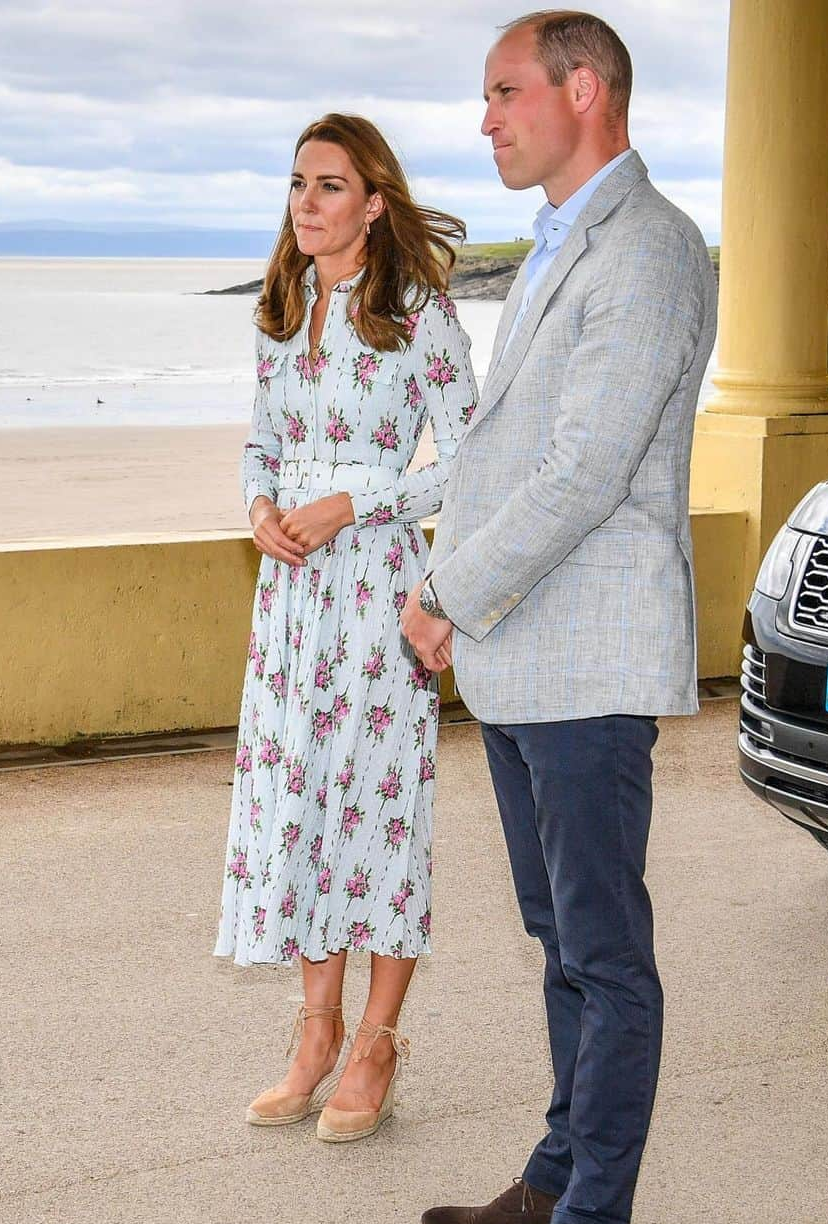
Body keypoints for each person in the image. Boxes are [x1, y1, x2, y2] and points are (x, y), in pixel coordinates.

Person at [401, 11, 717, 1224]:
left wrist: (450, 598)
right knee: (557, 940)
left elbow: (583, 470)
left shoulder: (646, 249)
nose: (485, 118)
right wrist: (411, 541)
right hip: (525, 660)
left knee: (604, 949)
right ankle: (556, 1169)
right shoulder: (552, 248)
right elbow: (496, 449)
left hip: (585, 660)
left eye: (504, 91)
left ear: (584, 89)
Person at [215, 113, 477, 1143]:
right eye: (297, 184)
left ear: (374, 203)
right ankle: (313, 1033)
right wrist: (259, 508)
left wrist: (354, 502)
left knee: (378, 809)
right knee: (302, 808)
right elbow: (259, 440)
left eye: (329, 186)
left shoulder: (420, 314)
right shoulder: (282, 309)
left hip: (377, 595)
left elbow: (471, 457)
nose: (306, 204)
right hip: (289, 604)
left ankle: (376, 1041)